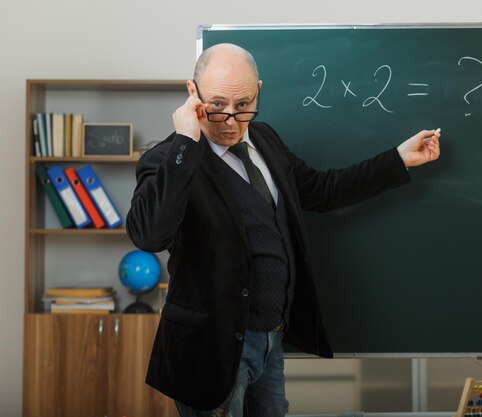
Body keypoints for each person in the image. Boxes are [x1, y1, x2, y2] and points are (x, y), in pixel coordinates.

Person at [126, 43, 441, 417]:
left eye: (243, 104)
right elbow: (148, 235)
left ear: (259, 89)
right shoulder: (167, 159)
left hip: (271, 341)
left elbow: (323, 191)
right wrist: (184, 142)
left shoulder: (266, 140)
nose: (230, 120)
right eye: (217, 105)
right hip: (212, 351)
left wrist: (398, 158)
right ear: (192, 93)